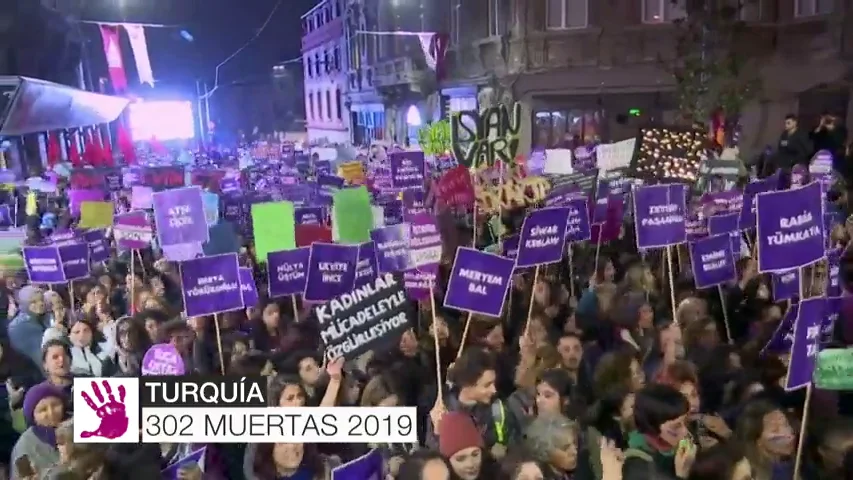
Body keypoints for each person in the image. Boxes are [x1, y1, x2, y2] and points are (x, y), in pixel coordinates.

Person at [10, 383, 66, 479]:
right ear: (33, 417)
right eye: (43, 410)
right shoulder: (26, 444)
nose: (51, 412)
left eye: (55, 405)